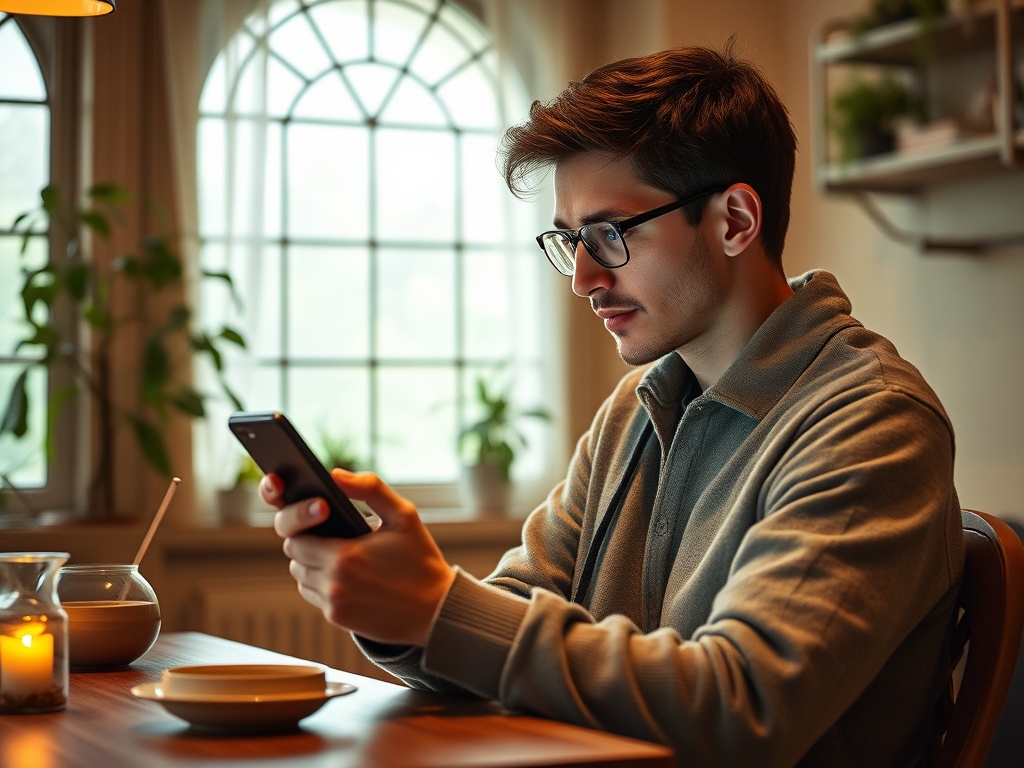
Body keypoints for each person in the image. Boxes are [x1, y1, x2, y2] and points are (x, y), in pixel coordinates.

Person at [262, 42, 965, 767]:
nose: (584, 278)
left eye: (609, 234)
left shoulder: (873, 424)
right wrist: (403, 610)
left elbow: (746, 708)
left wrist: (439, 608)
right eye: (570, 241)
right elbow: (514, 611)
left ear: (733, 221)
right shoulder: (636, 407)